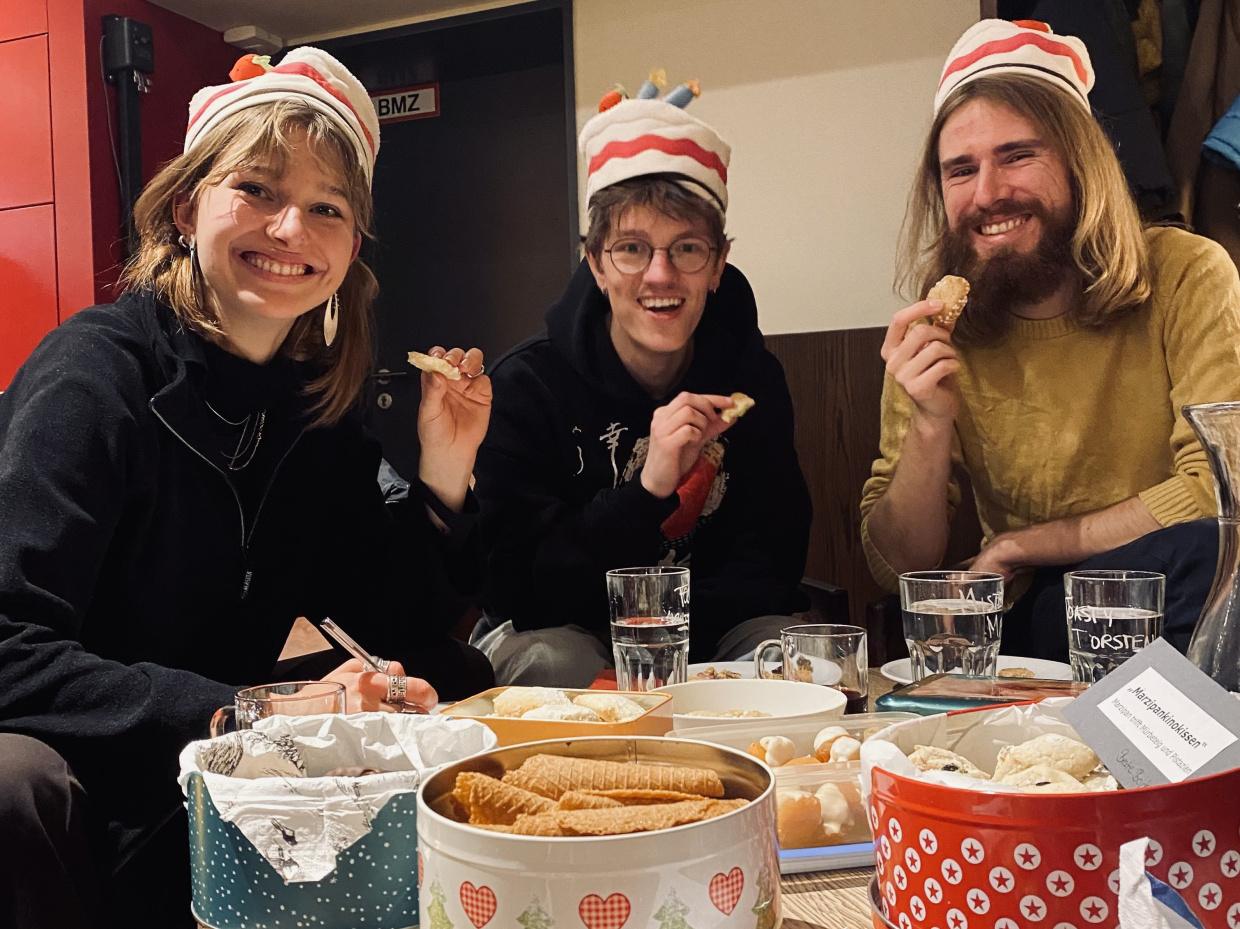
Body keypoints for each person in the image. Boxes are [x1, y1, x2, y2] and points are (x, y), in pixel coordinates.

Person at [0, 49, 493, 927]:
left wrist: (443, 470)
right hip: (92, 763)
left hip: (221, 774)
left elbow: (394, 625)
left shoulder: (314, 411)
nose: (291, 227)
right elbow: (8, 647)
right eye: (258, 189)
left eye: (327, 207)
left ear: (351, 247)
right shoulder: (93, 377)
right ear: (189, 207)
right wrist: (241, 712)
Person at [860, 20, 1240, 660]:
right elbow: (897, 566)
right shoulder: (935, 328)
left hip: (1180, 589)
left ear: (1079, 163)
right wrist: (929, 425)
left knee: (1210, 553)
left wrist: (1020, 544)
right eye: (960, 170)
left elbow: (1220, 489)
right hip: (1047, 616)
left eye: (1017, 155)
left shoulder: (1187, 273)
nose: (988, 194)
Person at [473, 76, 812, 686]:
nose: (661, 276)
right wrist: (648, 490)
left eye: (687, 249)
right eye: (631, 248)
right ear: (596, 263)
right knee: (556, 662)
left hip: (706, 629)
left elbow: (772, 564)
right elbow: (521, 590)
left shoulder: (752, 380)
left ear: (718, 264)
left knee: (791, 656)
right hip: (561, 629)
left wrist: (675, 658)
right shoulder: (526, 385)